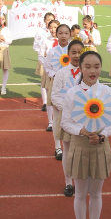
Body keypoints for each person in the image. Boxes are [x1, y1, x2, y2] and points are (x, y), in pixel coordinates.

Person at [61, 51, 111, 219]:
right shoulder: (73, 93)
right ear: (81, 68)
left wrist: (102, 135)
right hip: (80, 146)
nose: (93, 71)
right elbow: (65, 122)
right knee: (80, 193)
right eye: (88, 67)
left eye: (97, 66)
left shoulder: (108, 92)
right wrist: (82, 132)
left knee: (97, 193)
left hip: (100, 146)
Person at [51, 39, 84, 197]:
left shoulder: (88, 73)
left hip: (84, 119)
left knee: (82, 151)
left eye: (80, 52)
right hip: (66, 118)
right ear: (68, 54)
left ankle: (80, 181)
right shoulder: (61, 73)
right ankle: (68, 182)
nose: (77, 55)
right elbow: (55, 96)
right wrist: (69, 108)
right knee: (67, 150)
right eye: (73, 52)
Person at [44, 24, 72, 160]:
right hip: (56, 87)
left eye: (66, 33)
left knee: (72, 116)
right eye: (60, 33)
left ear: (70, 35)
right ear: (56, 34)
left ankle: (70, 144)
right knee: (57, 118)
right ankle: (57, 146)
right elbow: (47, 66)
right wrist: (55, 75)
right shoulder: (53, 51)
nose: (63, 36)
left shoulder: (74, 51)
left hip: (71, 87)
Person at [34, 13, 56, 111]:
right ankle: (44, 102)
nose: (49, 21)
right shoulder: (40, 32)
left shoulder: (57, 32)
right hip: (44, 60)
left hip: (55, 62)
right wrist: (43, 53)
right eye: (47, 19)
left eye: (51, 19)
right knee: (44, 81)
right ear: (44, 21)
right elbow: (35, 45)